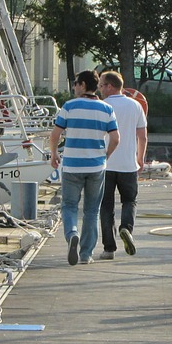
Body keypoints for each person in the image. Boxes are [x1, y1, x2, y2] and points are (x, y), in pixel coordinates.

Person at [49, 70, 119, 266]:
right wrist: (106, 156)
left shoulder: (69, 106)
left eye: (75, 84)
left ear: (82, 85)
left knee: (69, 206)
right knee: (91, 210)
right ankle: (86, 254)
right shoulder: (106, 109)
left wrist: (54, 154)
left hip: (72, 165)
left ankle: (72, 234)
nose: (73, 88)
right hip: (96, 166)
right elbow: (115, 139)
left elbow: (55, 135)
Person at [98, 70, 148, 260]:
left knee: (106, 206)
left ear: (110, 86)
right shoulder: (136, 105)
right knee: (129, 201)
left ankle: (109, 249)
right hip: (128, 164)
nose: (100, 89)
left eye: (102, 85)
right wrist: (140, 158)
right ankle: (126, 228)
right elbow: (142, 136)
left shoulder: (102, 106)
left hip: (105, 163)